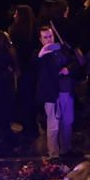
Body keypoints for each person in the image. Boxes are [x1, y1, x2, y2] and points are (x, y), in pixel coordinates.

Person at [34, 24, 78, 157]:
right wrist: (40, 55)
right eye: (45, 37)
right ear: (41, 39)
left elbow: (74, 62)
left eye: (50, 36)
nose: (49, 40)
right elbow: (34, 72)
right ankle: (53, 153)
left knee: (67, 122)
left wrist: (68, 69)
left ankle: (66, 149)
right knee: (53, 125)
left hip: (65, 89)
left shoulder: (62, 48)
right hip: (51, 93)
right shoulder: (39, 54)